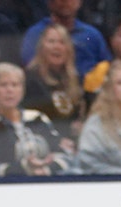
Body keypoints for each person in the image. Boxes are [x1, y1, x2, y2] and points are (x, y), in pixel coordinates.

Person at [0, 61, 71, 176]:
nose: (10, 91)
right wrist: (25, 168)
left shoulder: (37, 117)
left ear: (22, 90)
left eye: (15, 85)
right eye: (3, 85)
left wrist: (45, 169)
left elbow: (65, 156)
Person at [23, 22, 86, 153]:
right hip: (43, 145)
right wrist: (55, 142)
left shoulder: (74, 80)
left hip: (71, 145)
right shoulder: (30, 79)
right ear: (41, 47)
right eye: (51, 41)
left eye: (62, 42)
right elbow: (30, 121)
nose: (56, 47)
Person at [21, 0, 111, 79]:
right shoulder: (36, 33)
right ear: (50, 3)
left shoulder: (91, 35)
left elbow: (107, 66)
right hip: (45, 89)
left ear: (80, 2)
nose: (67, 2)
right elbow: (30, 68)